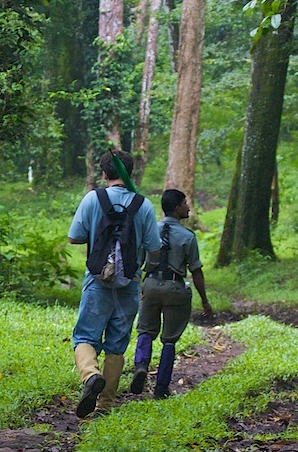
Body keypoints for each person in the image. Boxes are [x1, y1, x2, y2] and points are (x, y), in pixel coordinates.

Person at [68, 150, 161, 418]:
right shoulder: (143, 205)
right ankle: (105, 405)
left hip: (97, 280)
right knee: (117, 345)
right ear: (130, 173)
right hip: (130, 282)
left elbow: (74, 237)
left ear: (105, 173)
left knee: (85, 336)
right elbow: (154, 250)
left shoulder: (92, 199)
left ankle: (90, 375)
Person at [130, 189, 213, 399]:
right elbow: (196, 270)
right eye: (185, 203)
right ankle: (161, 388)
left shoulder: (150, 230)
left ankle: (140, 365)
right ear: (176, 208)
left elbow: (137, 262)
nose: (188, 207)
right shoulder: (188, 237)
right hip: (175, 287)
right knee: (169, 340)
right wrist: (204, 301)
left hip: (150, 284)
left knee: (145, 331)